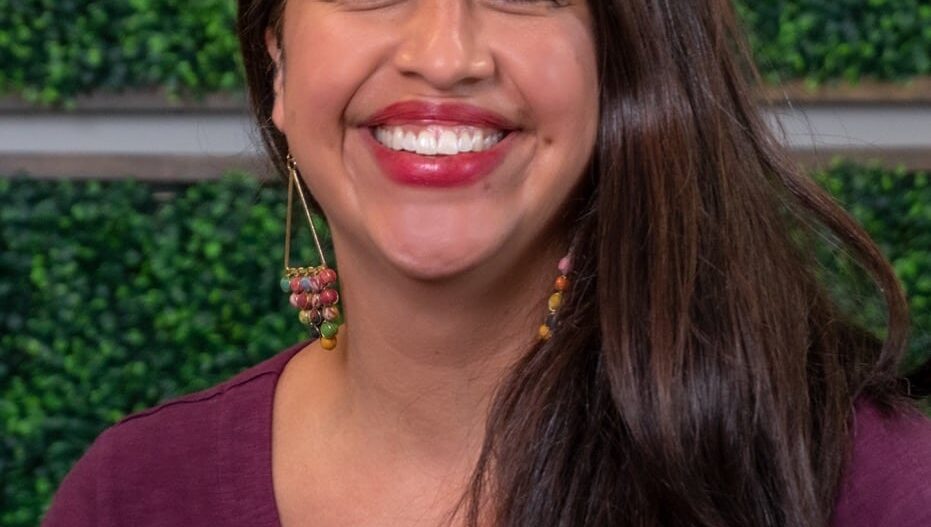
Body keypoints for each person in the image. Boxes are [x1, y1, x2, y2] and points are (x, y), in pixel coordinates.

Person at [43, 0, 931, 525]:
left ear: (623, 62)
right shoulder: (133, 495)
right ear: (277, 64)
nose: (443, 54)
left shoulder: (866, 487)